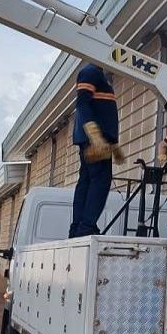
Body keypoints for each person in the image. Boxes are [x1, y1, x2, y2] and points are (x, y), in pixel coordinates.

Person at [70, 63, 123, 237]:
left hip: (96, 138)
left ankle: (79, 228)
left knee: (86, 181)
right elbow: (82, 103)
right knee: (100, 181)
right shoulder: (91, 71)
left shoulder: (96, 75)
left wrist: (113, 144)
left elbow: (101, 112)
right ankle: (86, 226)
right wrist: (95, 136)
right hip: (95, 139)